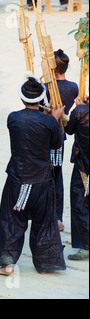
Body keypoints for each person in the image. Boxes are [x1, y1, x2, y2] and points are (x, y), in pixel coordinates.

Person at [0, 73, 66, 275]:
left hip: (18, 178)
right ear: (41, 99)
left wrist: (50, 118)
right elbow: (56, 144)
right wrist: (55, 120)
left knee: (12, 221)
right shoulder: (49, 122)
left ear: (22, 98)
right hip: (42, 180)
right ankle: (47, 264)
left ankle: (7, 264)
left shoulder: (13, 118)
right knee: (45, 223)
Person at [45, 49, 79, 231]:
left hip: (46, 138)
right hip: (60, 137)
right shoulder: (73, 87)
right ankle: (57, 217)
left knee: (46, 175)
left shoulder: (45, 87)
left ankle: (48, 216)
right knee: (57, 175)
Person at [65, 96, 89, 260]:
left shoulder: (81, 111)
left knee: (80, 203)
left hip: (84, 166)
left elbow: (69, 129)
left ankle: (85, 245)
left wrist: (78, 108)